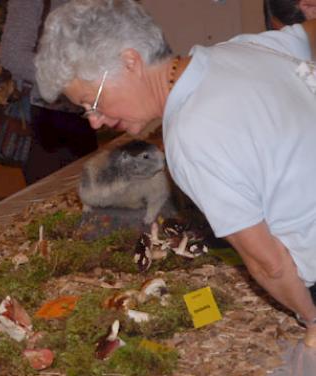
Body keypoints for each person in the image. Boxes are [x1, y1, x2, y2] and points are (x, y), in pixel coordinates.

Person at [34, 0, 316, 346]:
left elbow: (268, 263)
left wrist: (310, 316)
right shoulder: (244, 48)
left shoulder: (191, 135)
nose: (94, 120)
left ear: (130, 61)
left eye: (92, 101)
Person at [0, 0, 99, 185]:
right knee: (50, 201)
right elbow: (12, 55)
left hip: (83, 113)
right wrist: (68, 81)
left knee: (87, 195)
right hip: (45, 117)